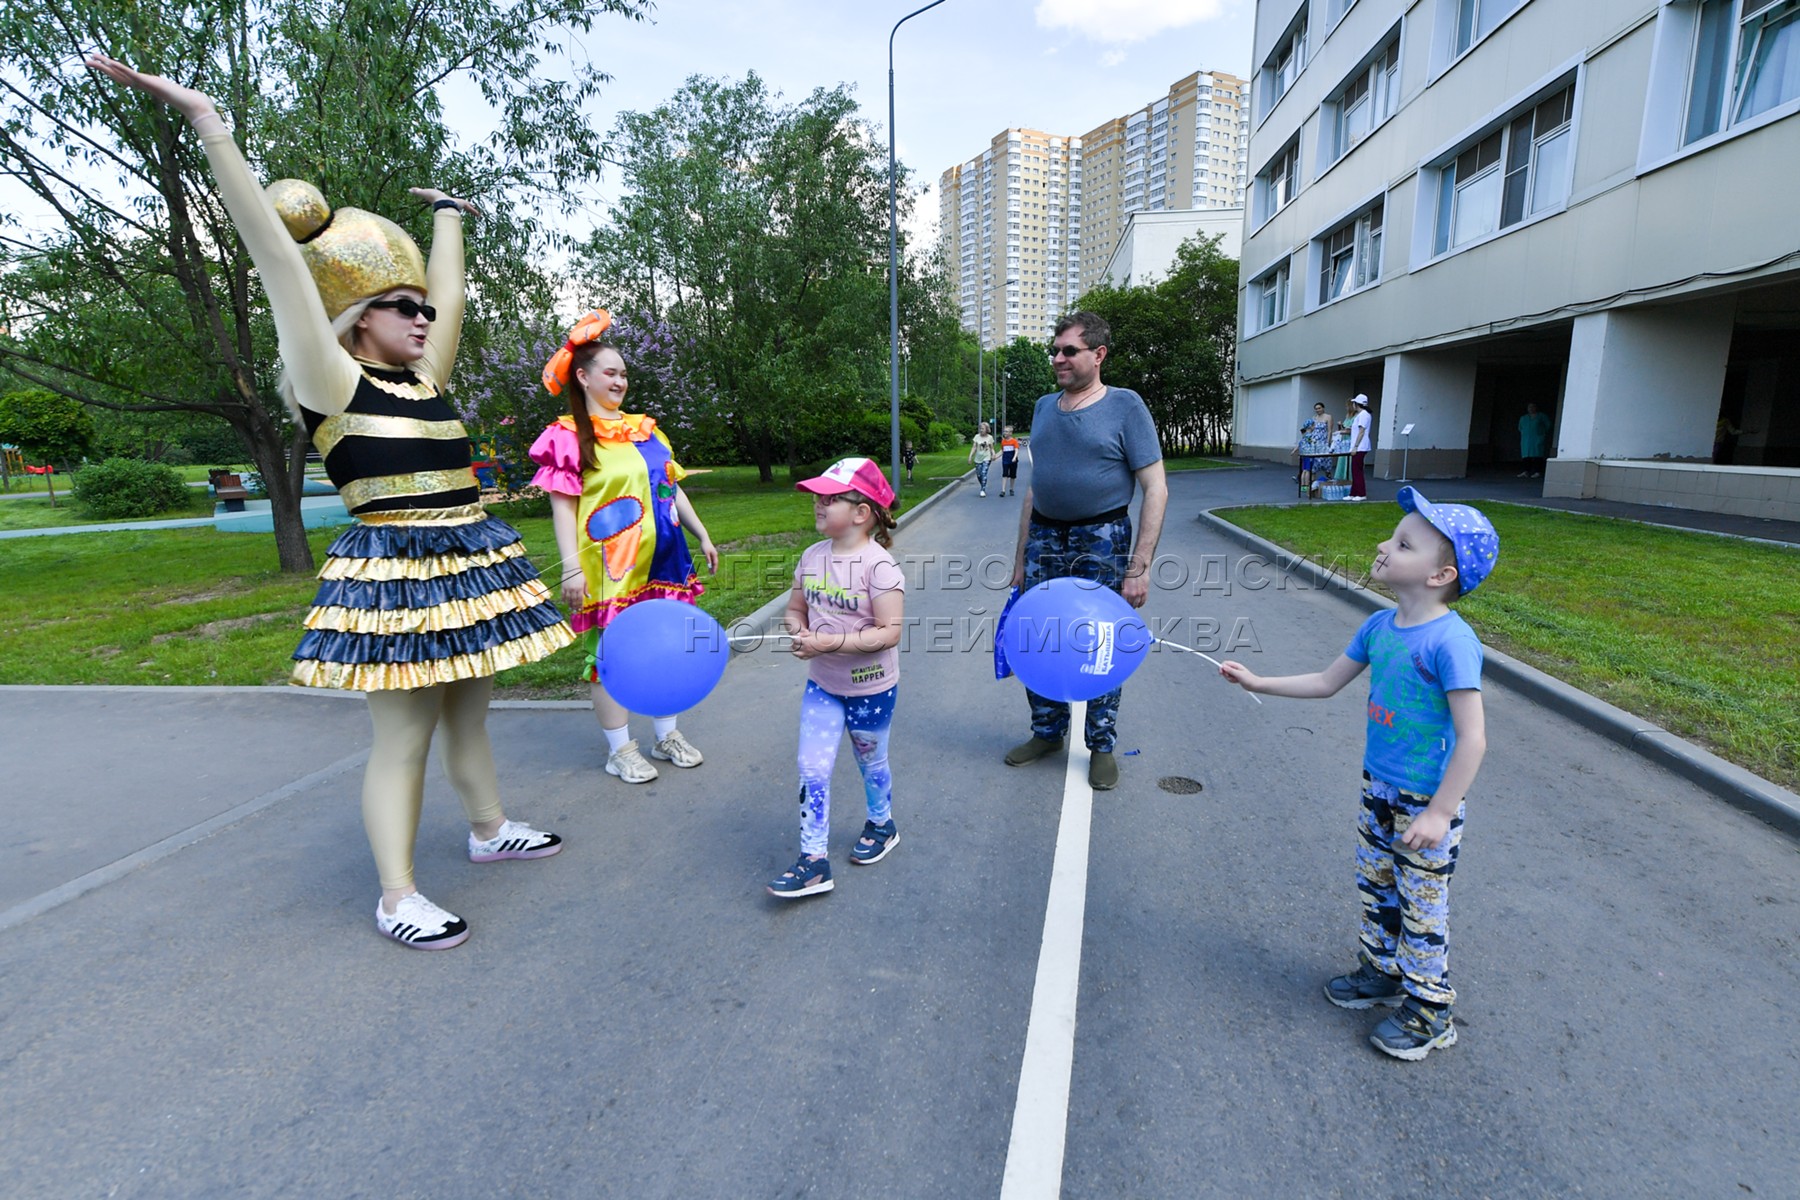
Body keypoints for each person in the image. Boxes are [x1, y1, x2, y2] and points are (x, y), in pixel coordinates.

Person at [87, 55, 576, 950]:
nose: (424, 318)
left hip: (468, 557)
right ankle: (396, 896)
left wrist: (450, 222)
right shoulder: (331, 377)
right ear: (355, 318)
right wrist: (208, 124)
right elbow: (276, 257)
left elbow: (454, 290)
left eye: (423, 307)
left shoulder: (427, 378)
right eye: (402, 306)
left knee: (472, 707)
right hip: (391, 570)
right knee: (404, 737)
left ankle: (487, 829)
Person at [1218, 487, 1498, 1061]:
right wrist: (1258, 682)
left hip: (1425, 800)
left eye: (1402, 544)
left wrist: (1441, 812)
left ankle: (1429, 1010)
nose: (1382, 545)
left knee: (1422, 903)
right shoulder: (1379, 627)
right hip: (1380, 787)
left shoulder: (1451, 642)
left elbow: (1474, 737)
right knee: (1377, 885)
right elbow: (1326, 681)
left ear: (1441, 574)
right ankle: (1383, 972)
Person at [531, 310, 718, 784]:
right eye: (610, 373)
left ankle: (666, 734)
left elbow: (670, 488)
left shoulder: (646, 430)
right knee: (611, 655)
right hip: (610, 568)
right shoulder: (568, 437)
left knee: (667, 648)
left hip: (665, 561)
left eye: (624, 374)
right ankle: (620, 748)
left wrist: (702, 533)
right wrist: (571, 569)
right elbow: (562, 508)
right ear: (583, 376)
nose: (620, 381)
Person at [1005, 312, 1166, 791]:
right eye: (1055, 350)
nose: (1058, 358)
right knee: (1038, 637)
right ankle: (1047, 733)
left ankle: (1101, 744)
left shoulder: (1125, 406)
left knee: (1098, 642)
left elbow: (1155, 488)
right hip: (1044, 540)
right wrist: (1019, 560)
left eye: (1069, 351)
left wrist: (1139, 567)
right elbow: (1035, 488)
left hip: (1102, 538)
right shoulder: (1042, 407)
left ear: (1098, 355)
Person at [767, 458, 906, 899]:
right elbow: (794, 610)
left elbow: (889, 632)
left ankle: (882, 824)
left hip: (871, 688)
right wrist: (800, 633)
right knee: (811, 767)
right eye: (816, 496)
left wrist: (825, 643)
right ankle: (813, 861)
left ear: (862, 513)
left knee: (870, 762)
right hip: (823, 687)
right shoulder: (811, 557)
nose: (817, 504)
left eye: (830, 498)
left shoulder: (878, 566)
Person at [1295, 402, 1334, 497]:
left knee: (1326, 461)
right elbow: (1310, 430)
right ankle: (1311, 485)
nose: (1318, 410)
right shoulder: (1314, 418)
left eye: (1319, 408)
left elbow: (1329, 430)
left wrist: (1328, 442)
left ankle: (1328, 480)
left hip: (1323, 442)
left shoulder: (1328, 417)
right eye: (1316, 408)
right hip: (1314, 442)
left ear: (1323, 408)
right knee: (1313, 465)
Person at [1348, 394, 1374, 500]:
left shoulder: (1364, 415)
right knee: (1355, 470)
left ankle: (1361, 494)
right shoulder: (1361, 415)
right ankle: (1353, 493)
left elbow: (1361, 431)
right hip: (1358, 446)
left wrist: (1355, 446)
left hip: (1360, 447)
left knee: (1357, 470)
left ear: (1356, 404)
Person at [1518, 403, 1553, 478]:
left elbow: (1548, 425)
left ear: (1536, 408)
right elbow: (1520, 428)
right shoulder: (1523, 418)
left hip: (1537, 438)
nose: (1531, 408)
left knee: (1537, 455)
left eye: (1533, 407)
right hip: (1526, 439)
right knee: (1526, 456)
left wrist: (1541, 433)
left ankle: (1537, 472)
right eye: (1529, 407)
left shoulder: (1541, 416)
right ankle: (1526, 471)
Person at [969, 421, 996, 497]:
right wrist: (970, 456)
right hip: (978, 458)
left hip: (986, 457)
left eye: (983, 428)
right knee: (979, 474)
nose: (981, 430)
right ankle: (983, 484)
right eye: (980, 428)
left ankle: (982, 490)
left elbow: (992, 448)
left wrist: (993, 454)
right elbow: (974, 447)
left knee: (984, 473)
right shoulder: (976, 436)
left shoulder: (990, 437)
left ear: (987, 429)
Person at [997, 425, 1023, 497]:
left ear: (1010, 433)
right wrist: (995, 457)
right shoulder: (1003, 441)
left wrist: (1014, 457)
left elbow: (1016, 450)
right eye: (1004, 431)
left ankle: (1011, 488)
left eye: (1006, 431)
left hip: (1013, 460)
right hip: (1005, 460)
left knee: (1012, 475)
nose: (1005, 433)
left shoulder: (1014, 441)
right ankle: (1003, 490)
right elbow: (1002, 451)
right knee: (1004, 474)